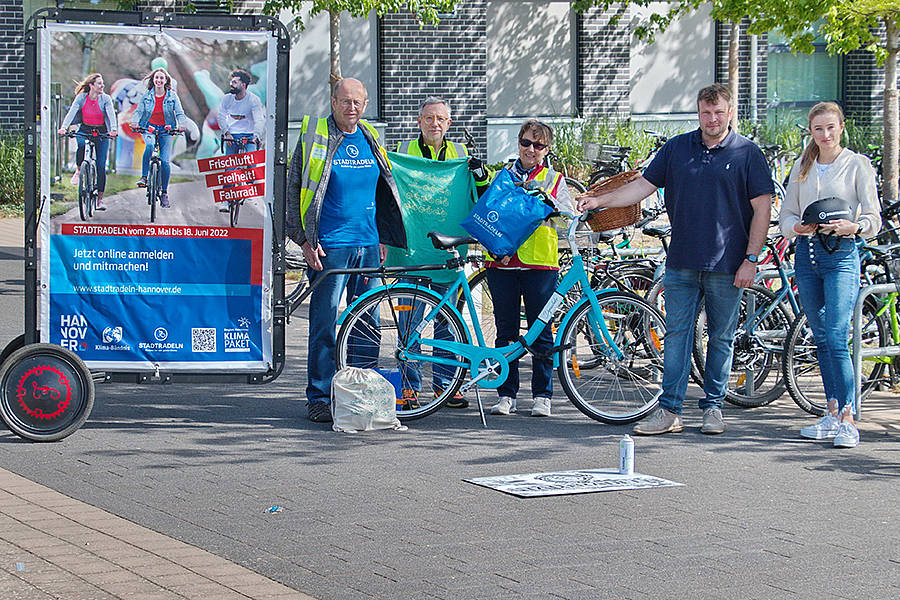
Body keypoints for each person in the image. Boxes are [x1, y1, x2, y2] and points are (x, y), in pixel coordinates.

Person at [577, 83, 773, 435]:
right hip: (682, 260)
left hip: (728, 264)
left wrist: (751, 259)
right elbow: (642, 187)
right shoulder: (677, 148)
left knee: (721, 337)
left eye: (718, 112)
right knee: (677, 335)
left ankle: (713, 407)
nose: (711, 119)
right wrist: (600, 200)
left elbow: (762, 210)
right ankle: (669, 410)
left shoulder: (748, 154)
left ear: (730, 113)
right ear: (698, 113)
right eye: (705, 112)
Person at [286, 78, 407, 423]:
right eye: (345, 101)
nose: (351, 108)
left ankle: (360, 394)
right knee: (324, 322)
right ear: (333, 101)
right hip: (330, 247)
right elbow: (294, 187)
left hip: (368, 245)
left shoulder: (369, 136)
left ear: (365, 105)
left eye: (357, 102)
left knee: (367, 323)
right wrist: (304, 240)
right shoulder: (315, 136)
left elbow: (382, 190)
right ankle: (320, 397)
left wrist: (383, 235)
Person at [779, 102, 881, 449]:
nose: (824, 135)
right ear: (811, 131)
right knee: (820, 336)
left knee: (838, 335)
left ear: (841, 128)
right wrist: (797, 226)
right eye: (818, 129)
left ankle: (849, 417)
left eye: (830, 128)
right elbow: (786, 215)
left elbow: (873, 217)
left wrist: (855, 226)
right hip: (808, 254)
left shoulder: (857, 165)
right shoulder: (802, 166)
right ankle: (832, 410)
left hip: (841, 254)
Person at [392, 96, 487, 409]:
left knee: (449, 321)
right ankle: (409, 387)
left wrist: (480, 173)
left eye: (441, 119)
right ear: (419, 121)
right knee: (411, 323)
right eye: (429, 118)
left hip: (448, 250)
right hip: (413, 250)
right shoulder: (402, 153)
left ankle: (446, 387)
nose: (435, 124)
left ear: (449, 123)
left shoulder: (460, 154)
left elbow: (480, 192)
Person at [487, 119, 575, 418]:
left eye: (538, 145)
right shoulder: (502, 176)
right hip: (503, 262)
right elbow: (488, 216)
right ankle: (506, 394)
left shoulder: (555, 179)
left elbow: (568, 221)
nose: (531, 150)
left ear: (547, 149)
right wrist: (493, 249)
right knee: (506, 331)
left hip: (541, 263)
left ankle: (542, 395)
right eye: (526, 143)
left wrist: (553, 206)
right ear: (518, 144)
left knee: (542, 332)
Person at [57, 73, 118, 210]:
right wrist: (64, 127)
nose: (102, 86)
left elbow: (111, 115)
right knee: (80, 144)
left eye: (102, 83)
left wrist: (113, 129)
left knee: (101, 166)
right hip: (85, 128)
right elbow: (71, 113)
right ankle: (79, 171)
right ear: (91, 85)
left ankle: (100, 200)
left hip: (101, 131)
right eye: (99, 83)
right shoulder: (81, 98)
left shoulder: (106, 99)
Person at [130, 67, 187, 209]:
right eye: (156, 78)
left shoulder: (172, 96)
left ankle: (164, 193)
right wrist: (134, 122)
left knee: (165, 161)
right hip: (148, 127)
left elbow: (179, 113)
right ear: (153, 80)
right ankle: (144, 177)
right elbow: (139, 111)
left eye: (162, 78)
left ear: (166, 80)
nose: (159, 80)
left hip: (167, 130)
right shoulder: (147, 96)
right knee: (149, 146)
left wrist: (182, 125)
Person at [218, 69, 267, 212]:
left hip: (249, 135)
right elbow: (221, 116)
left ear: (243, 85)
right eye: (231, 81)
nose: (231, 84)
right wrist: (226, 132)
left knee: (251, 164)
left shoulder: (253, 100)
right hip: (231, 135)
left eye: (235, 82)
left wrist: (256, 136)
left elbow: (259, 119)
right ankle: (225, 202)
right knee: (229, 169)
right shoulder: (227, 98)